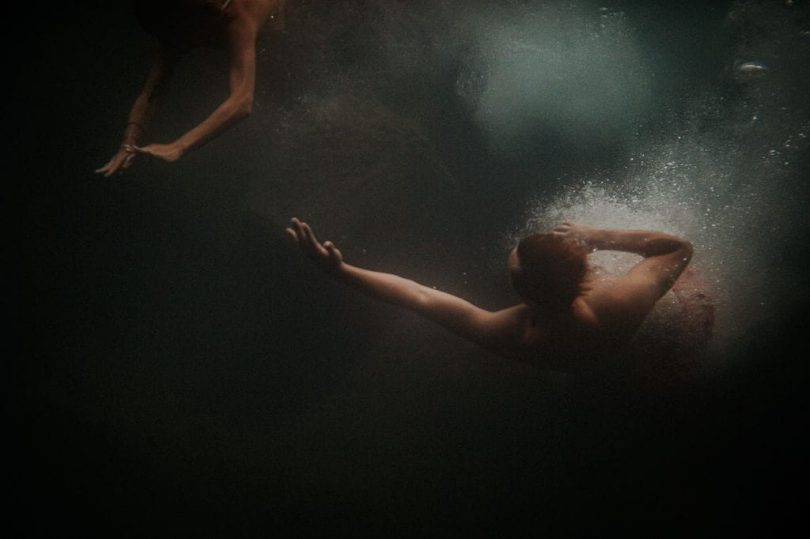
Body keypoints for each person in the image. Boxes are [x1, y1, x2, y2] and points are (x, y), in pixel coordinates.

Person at [286, 217, 701, 368]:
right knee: (679, 294)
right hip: (624, 336)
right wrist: (599, 234)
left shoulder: (517, 336)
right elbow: (679, 248)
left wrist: (340, 271)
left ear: (525, 294)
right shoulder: (616, 301)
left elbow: (416, 295)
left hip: (591, 359)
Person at [96, 0, 288, 177]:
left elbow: (243, 101)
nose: (175, 39)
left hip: (273, 14)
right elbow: (152, 92)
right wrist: (128, 144)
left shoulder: (235, 18)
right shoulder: (179, 27)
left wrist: (179, 146)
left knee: (277, 31)